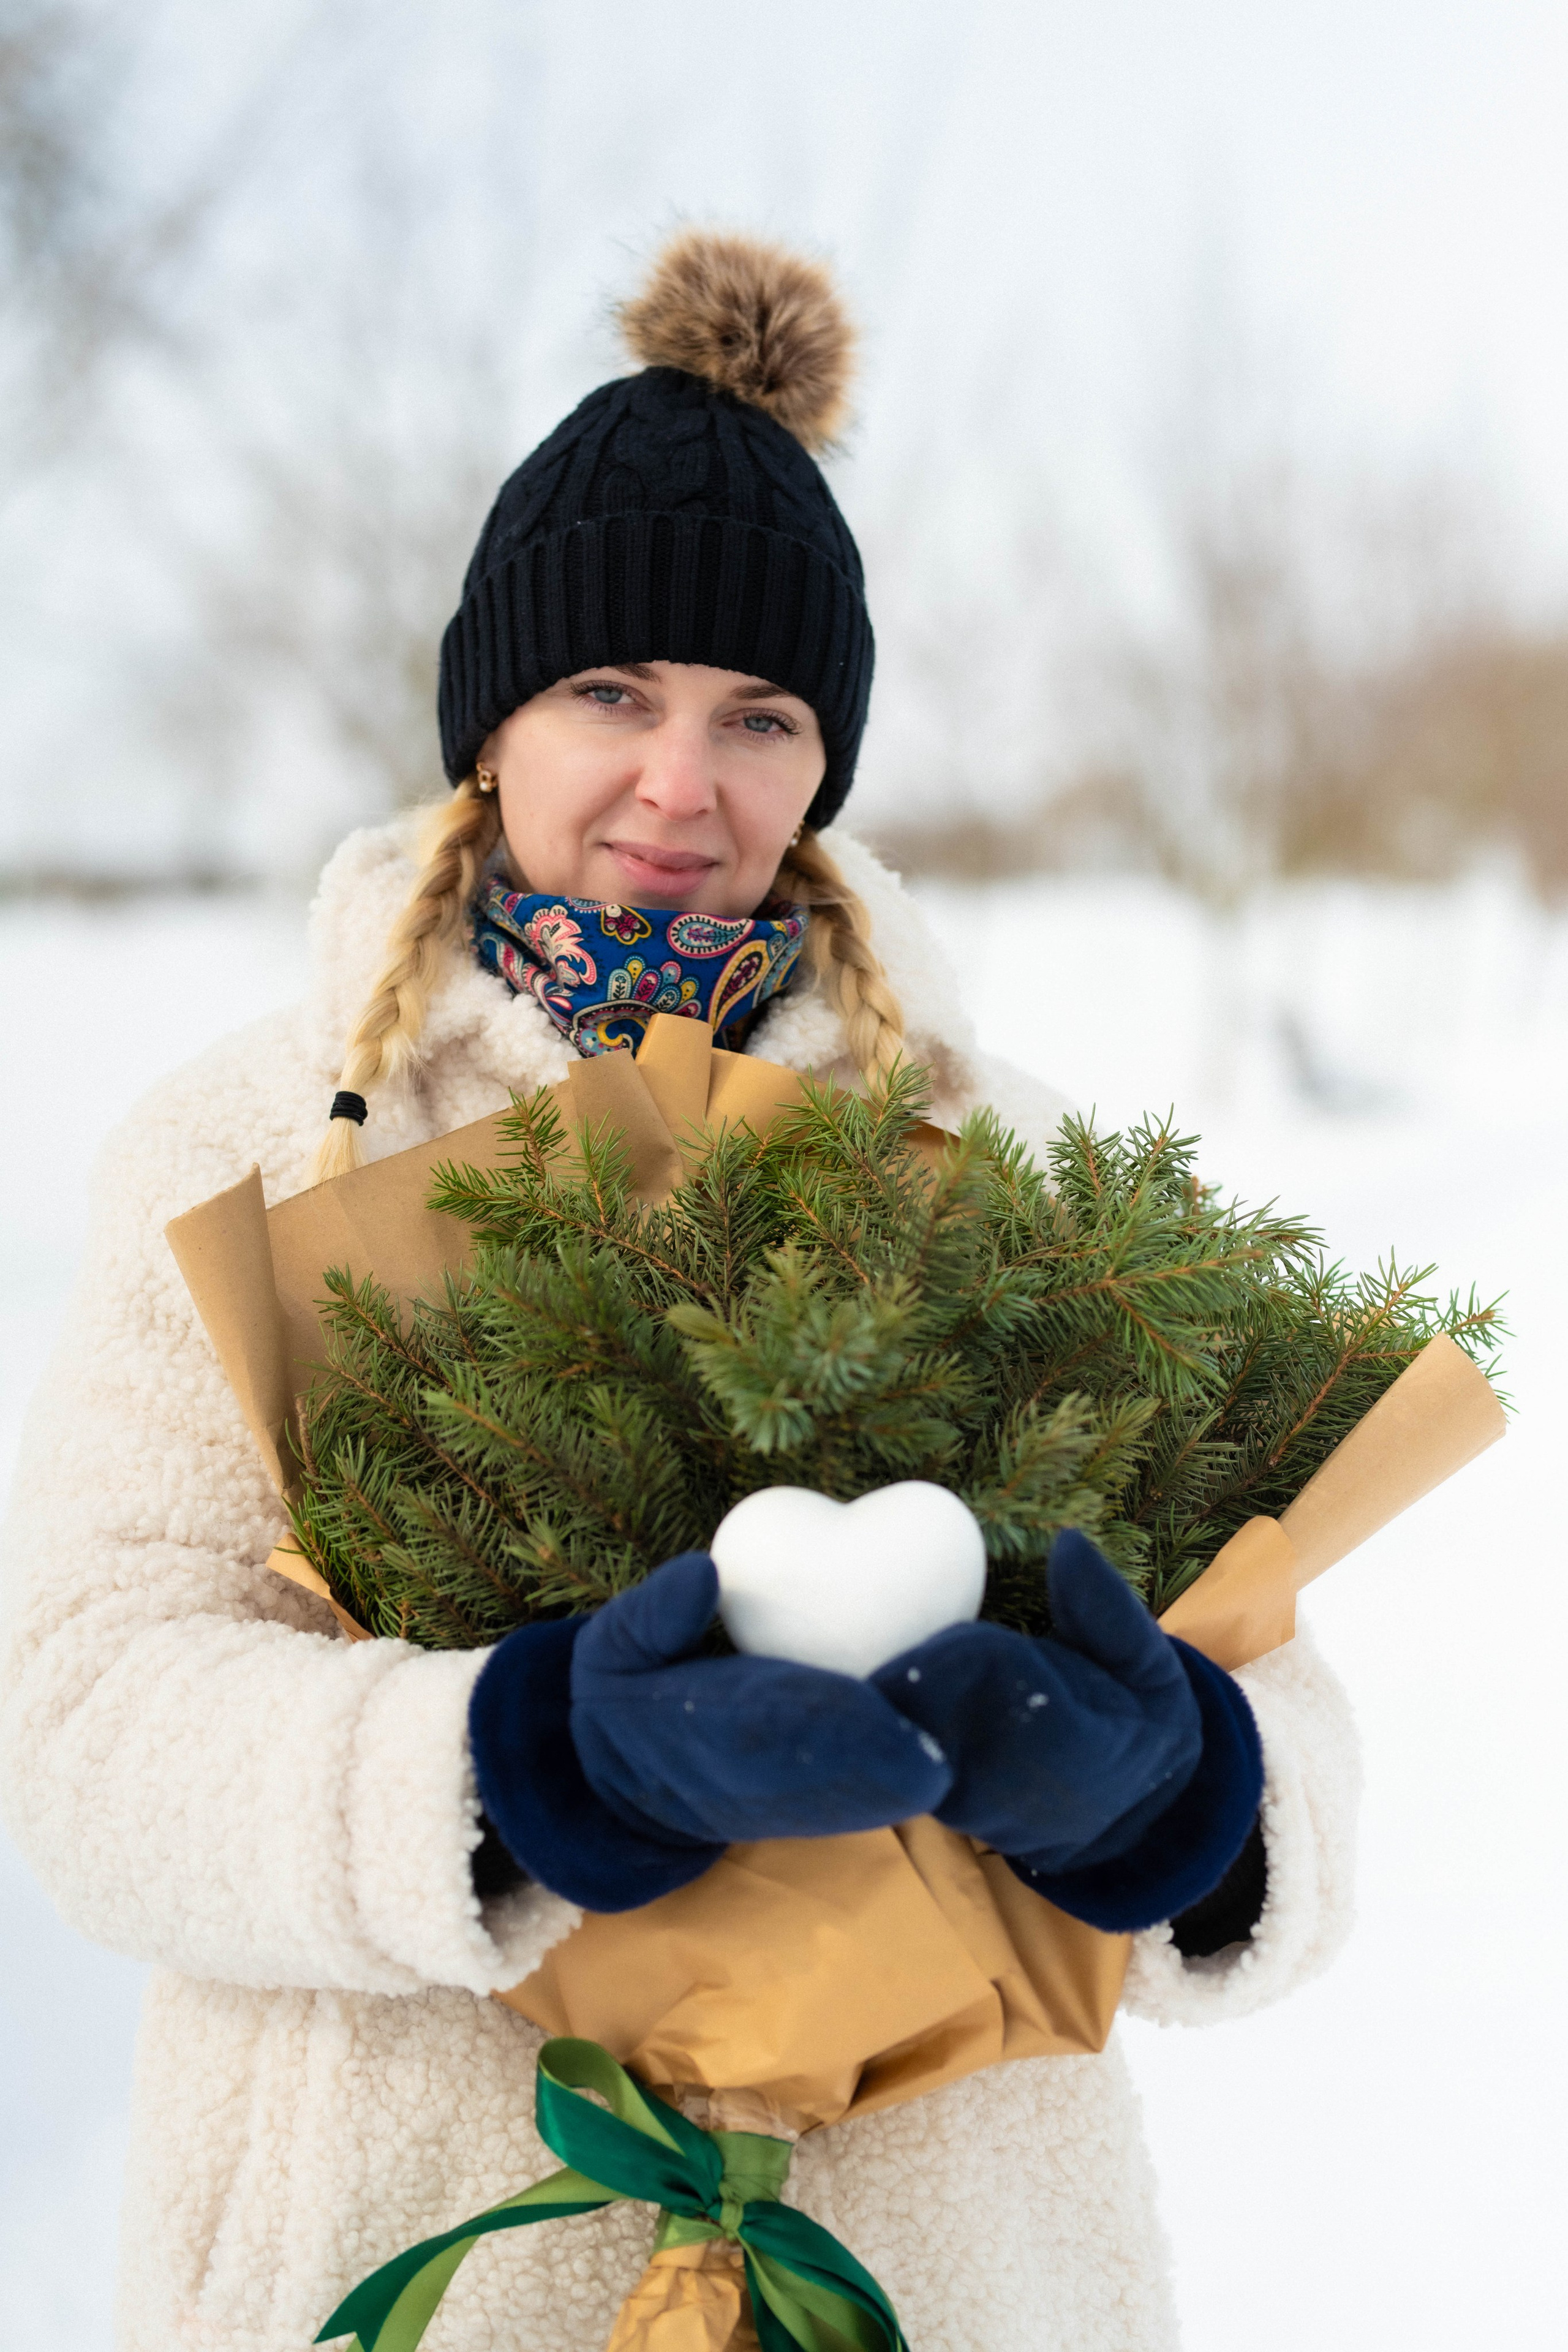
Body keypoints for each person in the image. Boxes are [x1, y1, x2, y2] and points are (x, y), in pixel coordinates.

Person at [0, 230, 1358, 2352]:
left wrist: (1189, 1797)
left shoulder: (994, 1171)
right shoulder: (252, 1150)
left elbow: (1285, 1704)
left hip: (943, 2271)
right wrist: (513, 1763)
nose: (679, 783)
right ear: (492, 719)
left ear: (825, 767)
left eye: (760, 716)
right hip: (416, 2249)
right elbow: (83, 1728)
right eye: (609, 693)